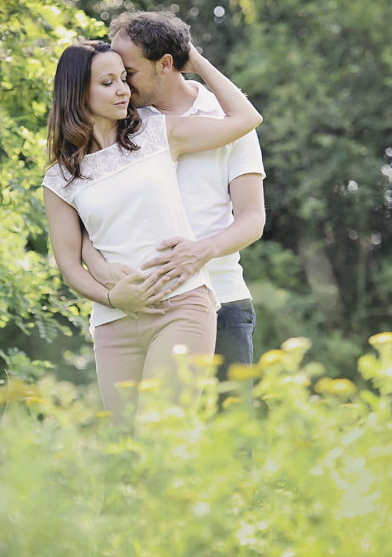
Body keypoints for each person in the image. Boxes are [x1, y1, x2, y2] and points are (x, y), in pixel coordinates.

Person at [41, 39, 261, 420]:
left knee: (162, 430)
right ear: (77, 92)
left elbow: (245, 119)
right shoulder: (59, 180)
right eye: (107, 83)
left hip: (183, 303)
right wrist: (113, 298)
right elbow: (71, 265)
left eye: (123, 78)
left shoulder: (157, 135)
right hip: (113, 322)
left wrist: (196, 61)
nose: (123, 89)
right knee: (127, 452)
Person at [81, 12, 266, 380]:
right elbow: (81, 213)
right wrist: (100, 270)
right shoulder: (117, 123)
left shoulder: (225, 118)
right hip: (142, 309)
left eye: (128, 71)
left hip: (222, 301)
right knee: (147, 436)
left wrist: (203, 251)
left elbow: (253, 218)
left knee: (226, 434)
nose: (121, 82)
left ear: (165, 64)